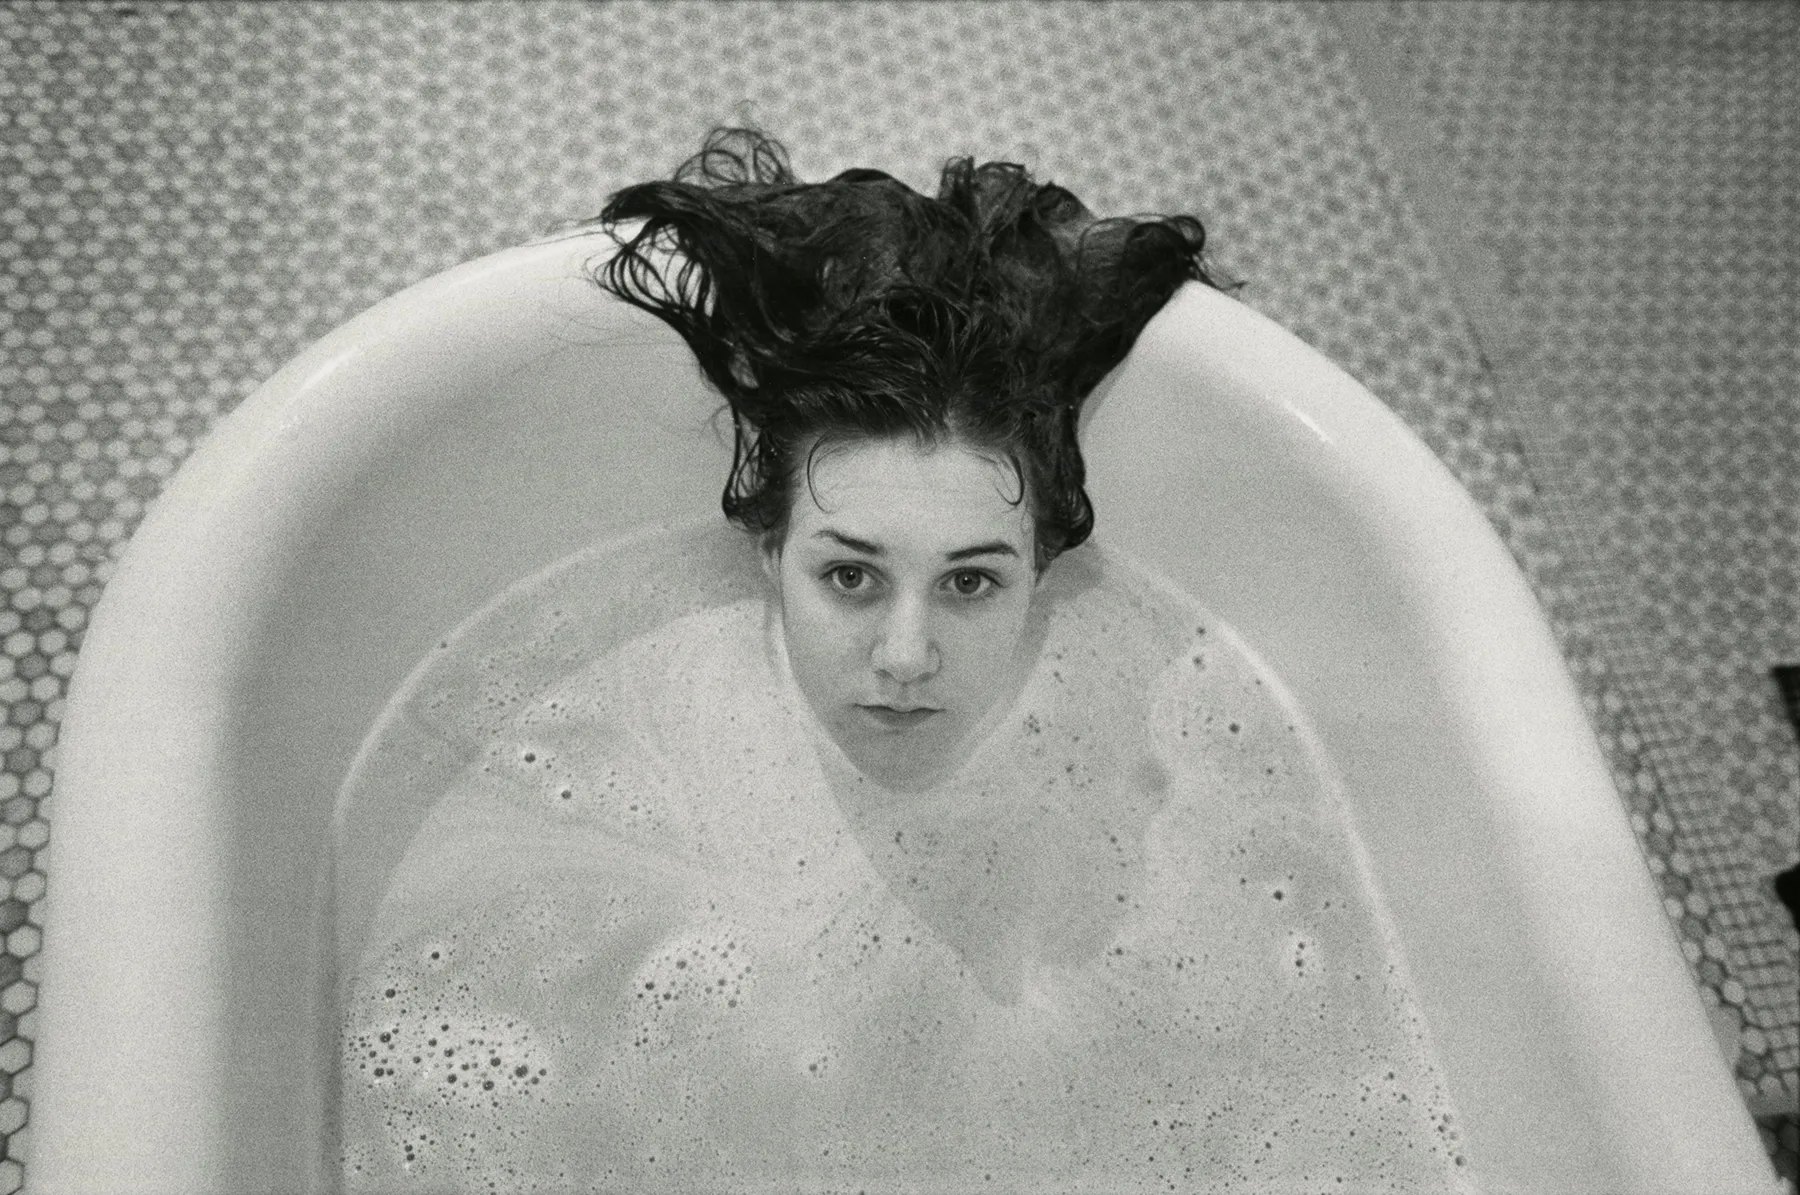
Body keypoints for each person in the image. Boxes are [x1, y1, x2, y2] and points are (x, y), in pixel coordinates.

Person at [591, 126, 1226, 790]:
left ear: (1040, 568)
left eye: (970, 581)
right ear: (772, 550)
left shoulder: (1147, 756)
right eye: (849, 575)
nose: (905, 659)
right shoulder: (639, 723)